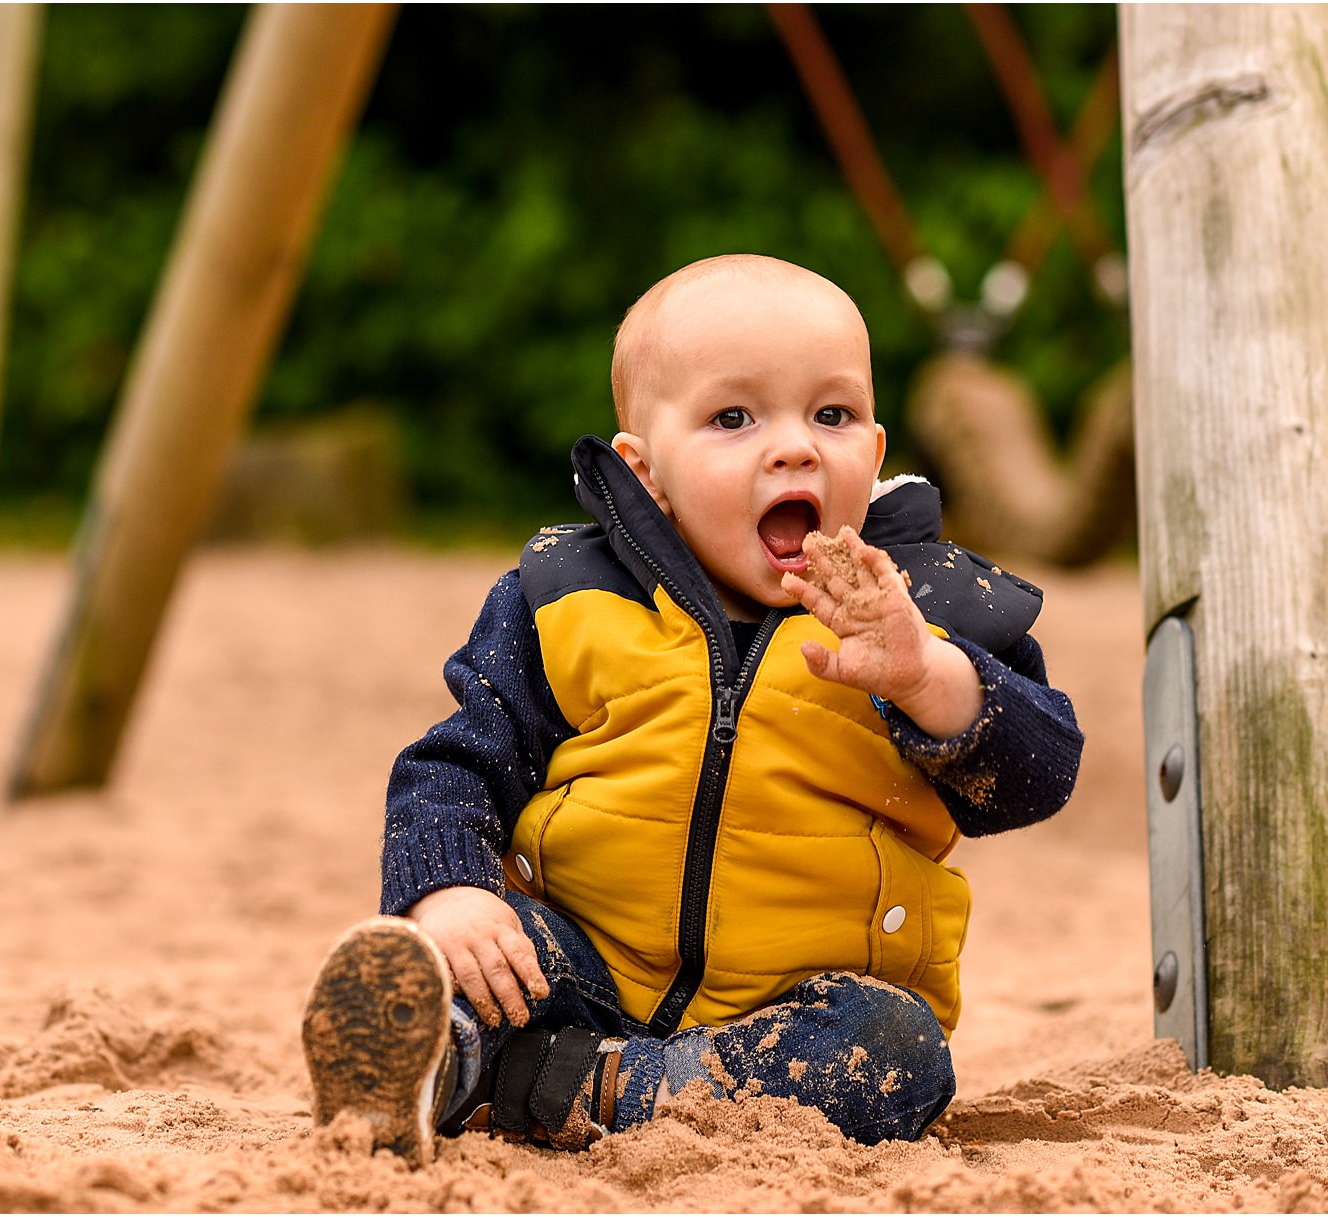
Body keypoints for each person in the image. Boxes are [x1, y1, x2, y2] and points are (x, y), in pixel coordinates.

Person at [301, 254, 1084, 1166]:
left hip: (804, 1006)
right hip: (584, 960)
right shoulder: (564, 599)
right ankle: (443, 1054)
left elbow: (1043, 771)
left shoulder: (924, 608)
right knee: (486, 962)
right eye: (733, 418)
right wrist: (448, 893)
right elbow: (453, 765)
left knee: (897, 1054)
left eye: (830, 415)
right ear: (648, 469)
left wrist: (924, 674)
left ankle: (565, 1086)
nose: (794, 447)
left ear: (871, 453)